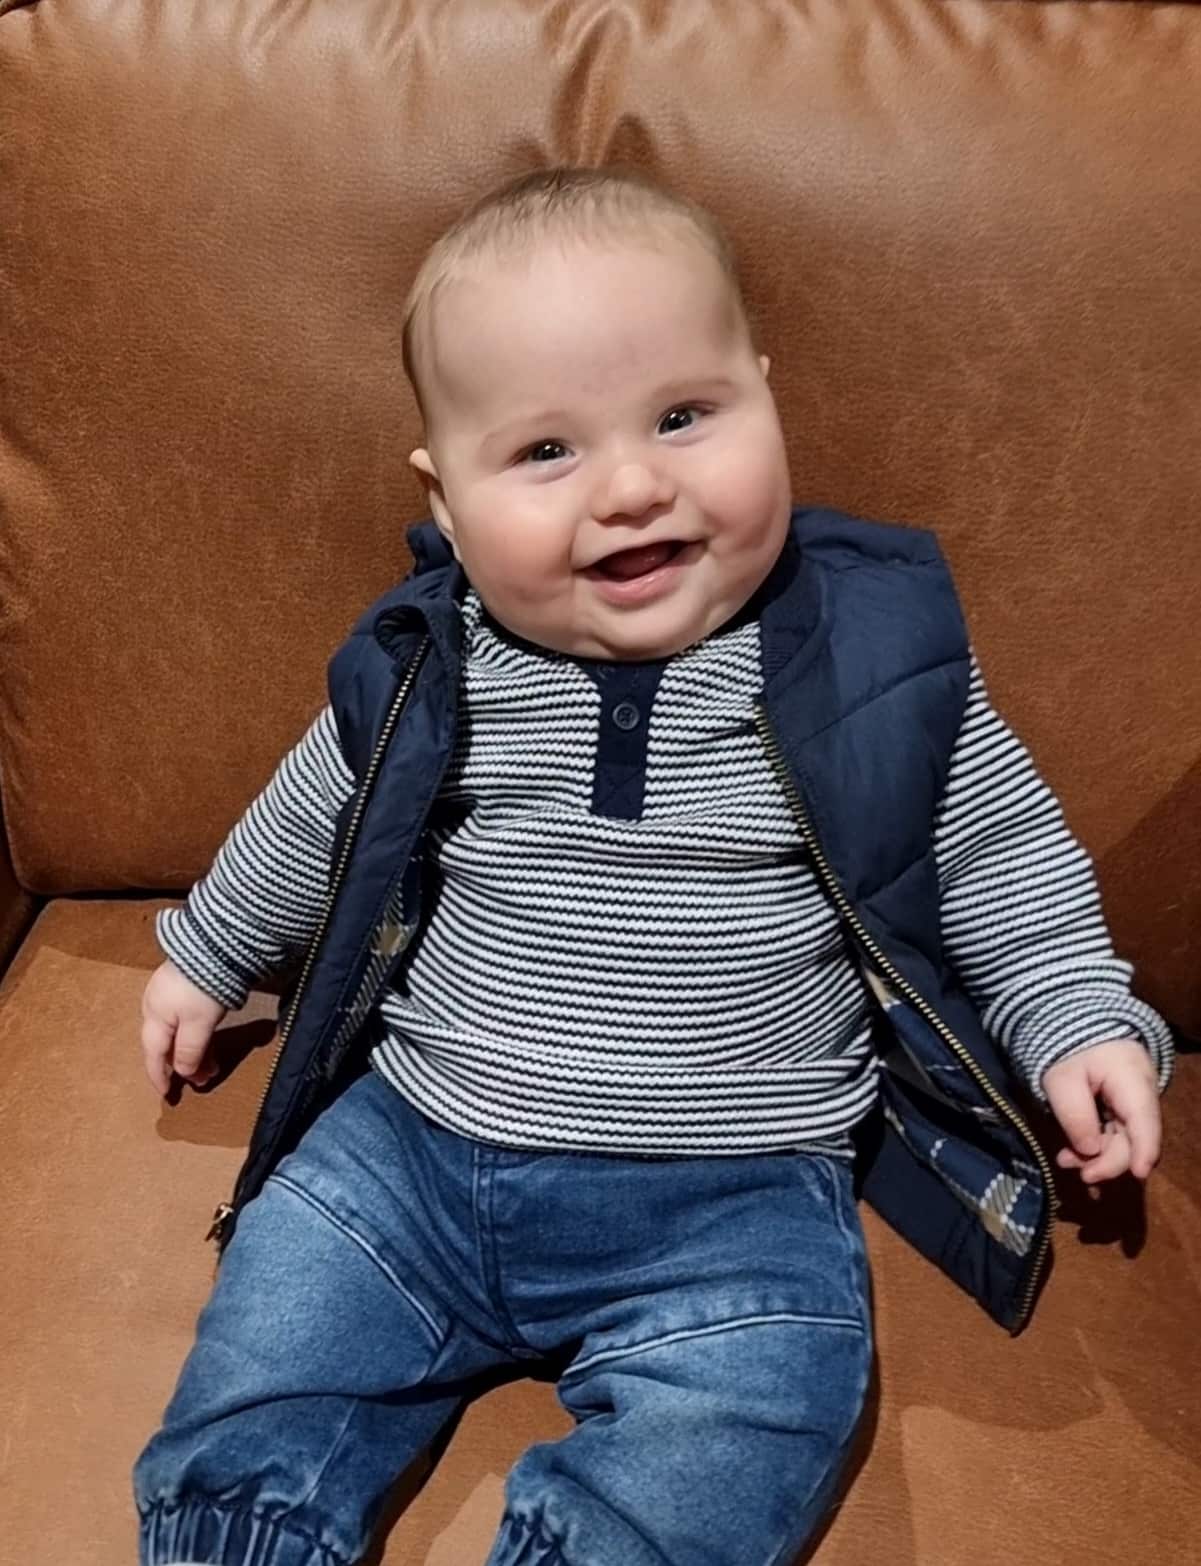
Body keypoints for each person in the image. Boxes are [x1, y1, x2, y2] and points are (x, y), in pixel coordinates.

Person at [132, 165, 1174, 1566]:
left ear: (765, 392)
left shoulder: (865, 657)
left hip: (731, 1200)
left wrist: (1076, 1016)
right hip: (414, 1153)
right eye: (546, 452)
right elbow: (317, 813)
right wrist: (208, 954)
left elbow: (994, 849)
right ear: (444, 501)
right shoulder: (441, 668)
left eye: (684, 417)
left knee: (760, 1409)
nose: (631, 485)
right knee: (274, 1324)